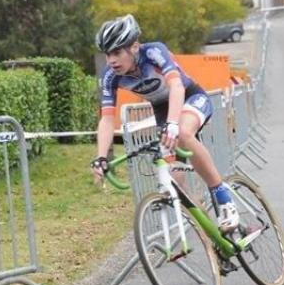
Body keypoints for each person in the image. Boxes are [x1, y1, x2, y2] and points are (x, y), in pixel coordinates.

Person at [89, 14, 239, 232]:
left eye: (117, 52)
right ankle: (215, 238)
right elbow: (107, 118)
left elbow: (176, 86)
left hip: (189, 97)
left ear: (134, 47)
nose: (111, 60)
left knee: (185, 134)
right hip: (162, 110)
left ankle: (223, 197)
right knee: (176, 184)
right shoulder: (111, 76)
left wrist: (172, 124)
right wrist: (101, 156)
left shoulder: (153, 52)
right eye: (107, 54)